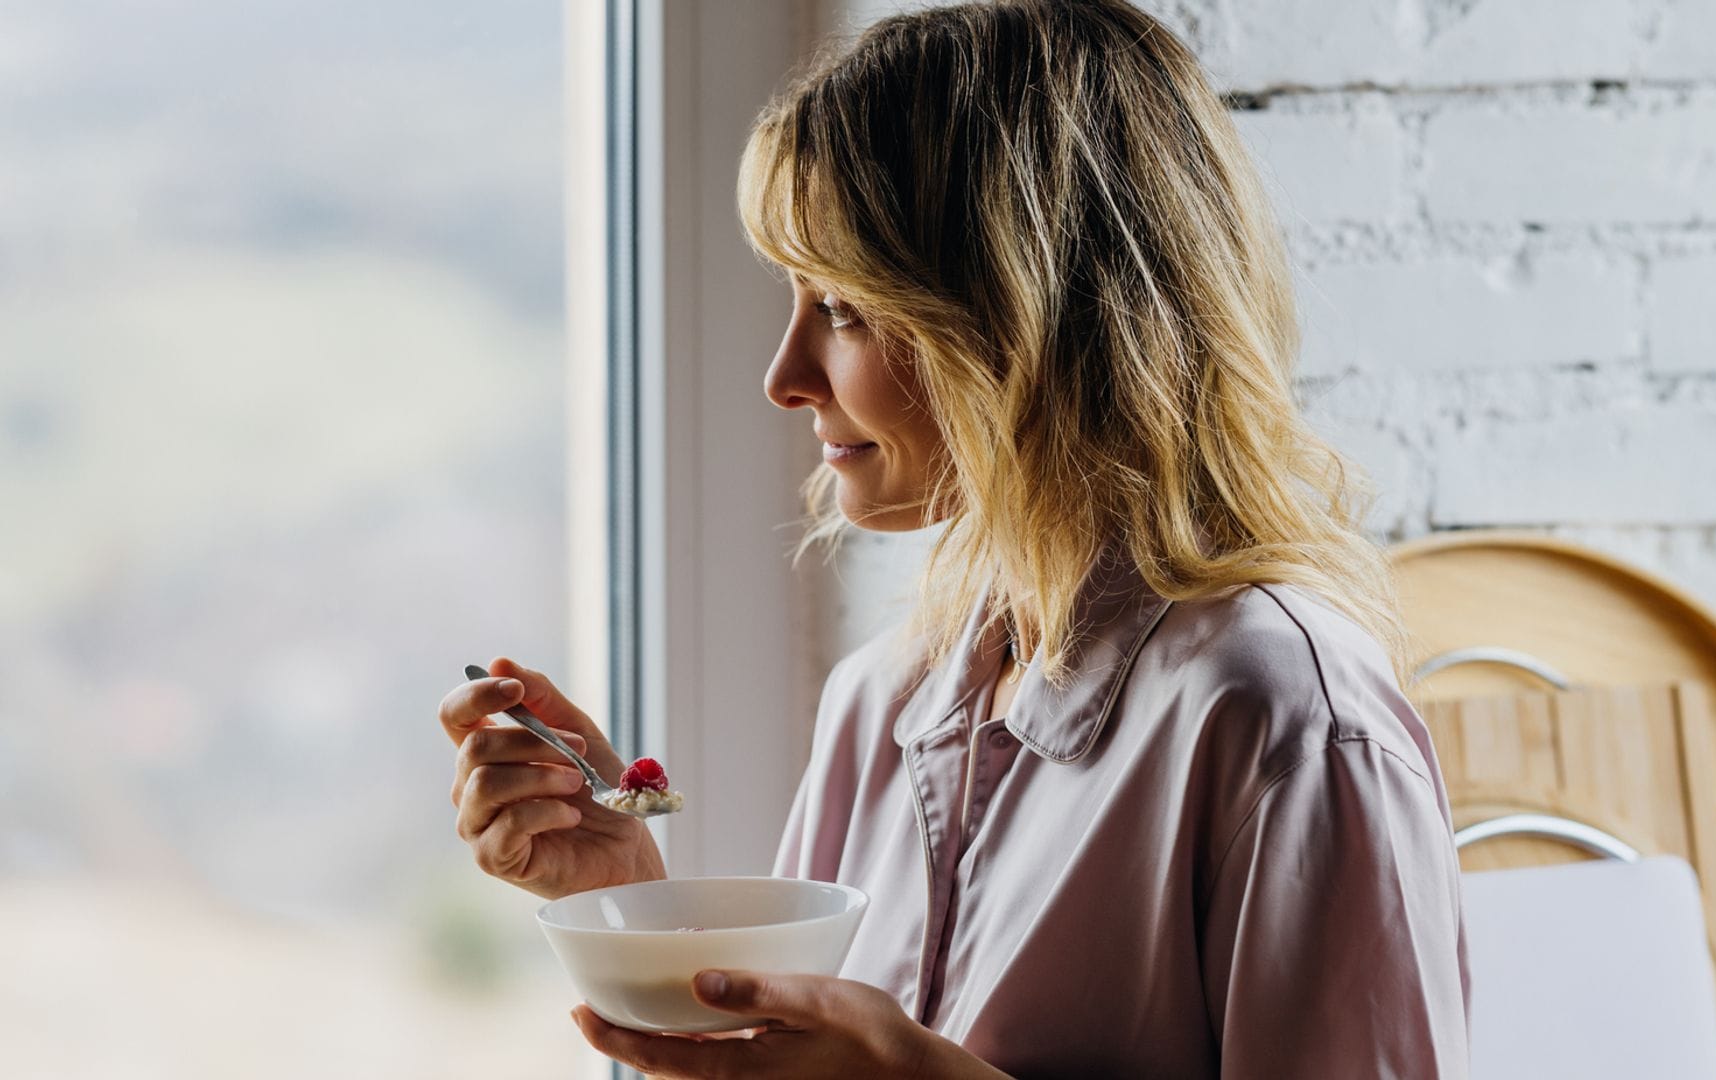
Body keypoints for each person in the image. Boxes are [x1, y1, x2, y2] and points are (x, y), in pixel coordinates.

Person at [437, 1, 1470, 1075]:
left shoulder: (1294, 728)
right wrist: (624, 902)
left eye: (842, 305)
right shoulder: (884, 702)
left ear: (1029, 311)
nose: (783, 378)